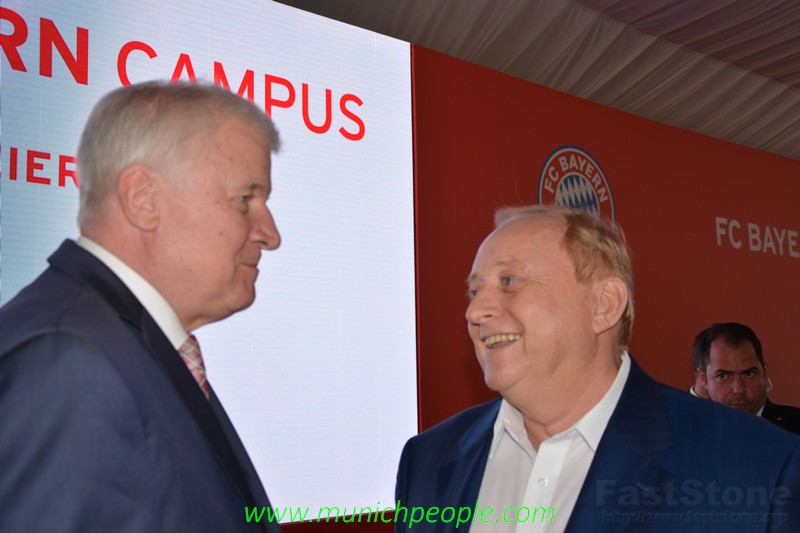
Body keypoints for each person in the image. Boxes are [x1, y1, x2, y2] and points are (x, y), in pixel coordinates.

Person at [395, 205, 800, 532]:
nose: (475, 310)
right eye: (474, 289)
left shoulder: (759, 468)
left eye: (509, 281)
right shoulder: (426, 460)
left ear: (604, 304)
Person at [0, 81, 282, 532]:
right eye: (245, 199)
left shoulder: (119, 345)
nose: (271, 234)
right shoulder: (68, 361)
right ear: (142, 198)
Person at [694, 322, 800, 435]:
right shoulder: (687, 435)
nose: (738, 389)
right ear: (704, 379)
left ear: (764, 373)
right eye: (723, 376)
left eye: (749, 374)